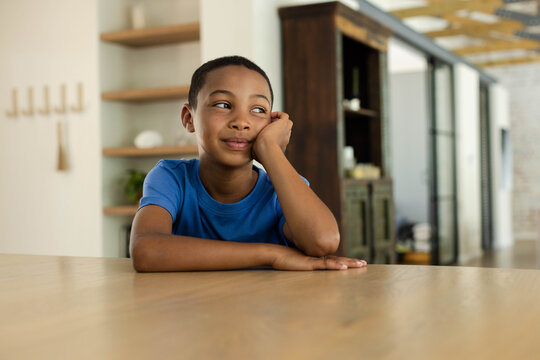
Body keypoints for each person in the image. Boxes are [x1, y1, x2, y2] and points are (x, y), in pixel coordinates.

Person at [130, 55, 367, 272]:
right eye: (223, 104)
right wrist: (272, 254)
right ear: (188, 118)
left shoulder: (282, 189)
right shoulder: (171, 178)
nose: (241, 122)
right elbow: (146, 251)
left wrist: (271, 150)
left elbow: (323, 241)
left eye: (257, 109)